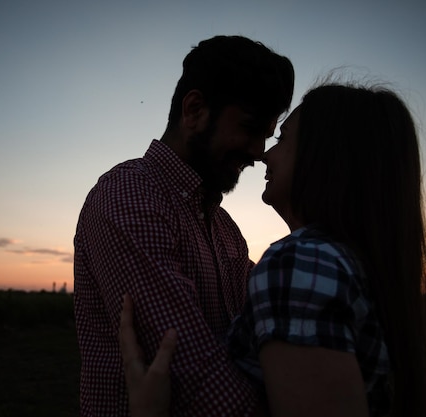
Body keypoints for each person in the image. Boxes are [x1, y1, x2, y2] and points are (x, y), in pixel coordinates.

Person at [119, 82, 426, 417]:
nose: (264, 154)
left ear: (327, 157)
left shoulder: (301, 264)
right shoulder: (350, 261)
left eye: (282, 139)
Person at [73, 35, 294, 416]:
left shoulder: (225, 229)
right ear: (194, 111)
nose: (259, 152)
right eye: (250, 127)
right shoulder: (129, 195)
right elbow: (194, 373)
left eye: (267, 135)